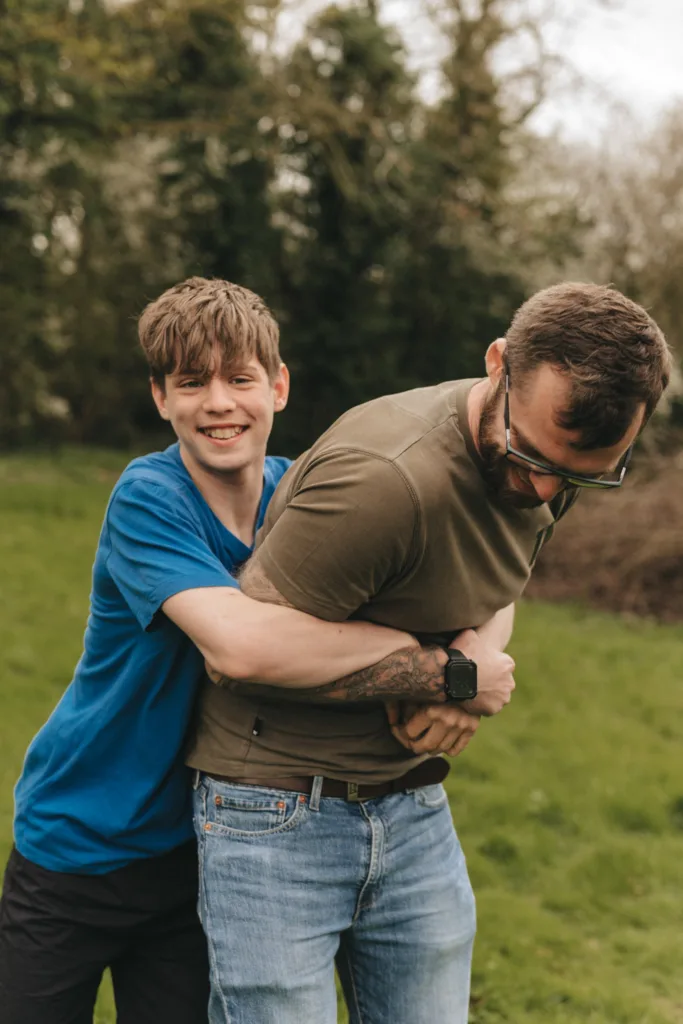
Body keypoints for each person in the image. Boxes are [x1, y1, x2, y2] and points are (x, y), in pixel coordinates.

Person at [0, 277, 497, 1024]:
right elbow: (238, 644)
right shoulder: (149, 497)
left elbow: (473, 573)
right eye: (191, 383)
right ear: (161, 398)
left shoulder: (301, 497)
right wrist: (434, 665)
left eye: (240, 378)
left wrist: (463, 667)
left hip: (201, 853)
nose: (219, 403)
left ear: (280, 386)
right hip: (80, 839)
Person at [186, 282, 671, 1024]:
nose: (542, 488)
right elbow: (242, 655)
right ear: (498, 363)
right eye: (530, 455)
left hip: (413, 809)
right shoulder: (383, 480)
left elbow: (496, 580)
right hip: (275, 814)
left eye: (578, 476)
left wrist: (467, 662)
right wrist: (454, 676)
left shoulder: (551, 454)